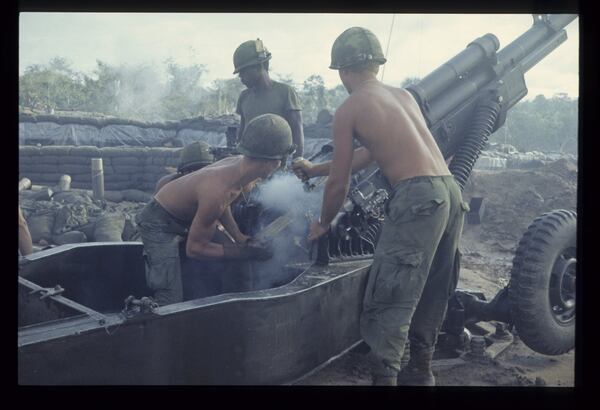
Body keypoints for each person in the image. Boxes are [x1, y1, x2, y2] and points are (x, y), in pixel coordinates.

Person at [292, 27, 469, 386]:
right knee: (432, 290)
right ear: (375, 63)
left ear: (342, 71)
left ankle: (384, 380)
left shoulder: (349, 108)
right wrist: (314, 168)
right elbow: (370, 154)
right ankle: (420, 372)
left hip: (417, 197)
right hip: (449, 192)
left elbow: (339, 183)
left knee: (391, 294)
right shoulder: (403, 96)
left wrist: (323, 224)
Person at [137, 113, 295, 306]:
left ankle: (235, 309)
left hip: (191, 216)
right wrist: (244, 251)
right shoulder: (218, 189)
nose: (280, 166)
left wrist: (239, 238)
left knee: (238, 263)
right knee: (169, 300)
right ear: (270, 162)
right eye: (280, 161)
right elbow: (194, 249)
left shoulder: (241, 168)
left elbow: (223, 204)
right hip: (159, 222)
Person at [233, 38, 304, 160]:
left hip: (279, 165)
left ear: (260, 66)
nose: (240, 76)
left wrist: (297, 161)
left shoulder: (285, 92)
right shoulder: (244, 97)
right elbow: (242, 132)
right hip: (251, 165)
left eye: (244, 71)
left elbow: (297, 130)